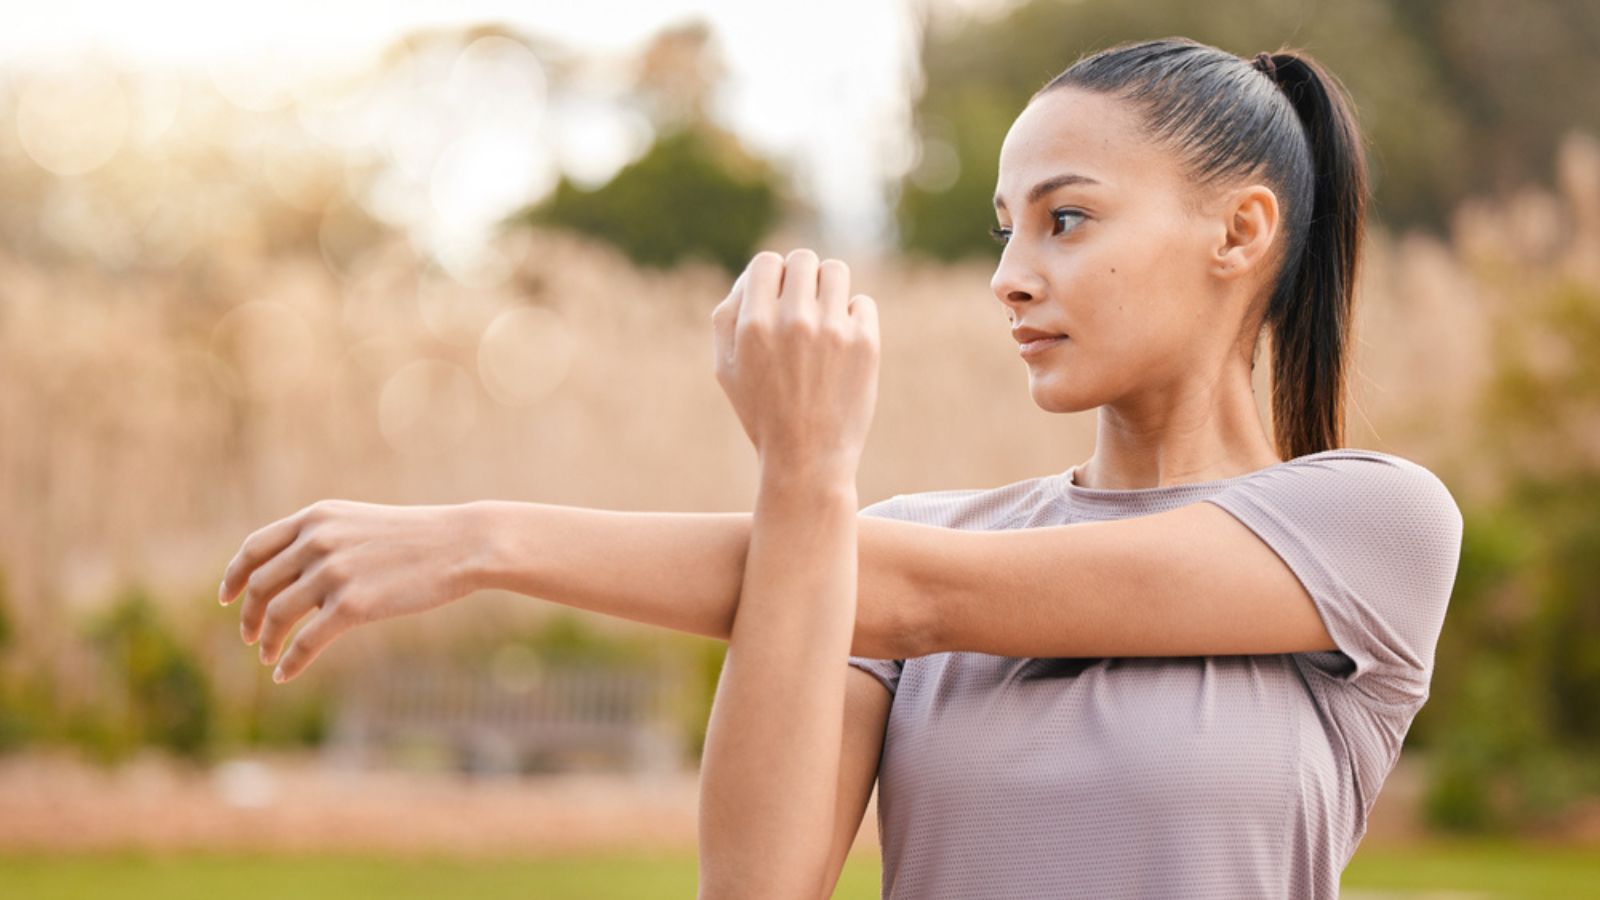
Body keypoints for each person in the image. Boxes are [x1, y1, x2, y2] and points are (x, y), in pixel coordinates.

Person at [217, 36, 1464, 900]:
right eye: (1005, 229)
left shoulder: (1369, 529)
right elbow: (755, 886)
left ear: (1239, 231)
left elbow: (914, 592)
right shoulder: (883, 546)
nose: (1009, 276)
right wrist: (807, 488)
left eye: (1066, 218)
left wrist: (481, 540)